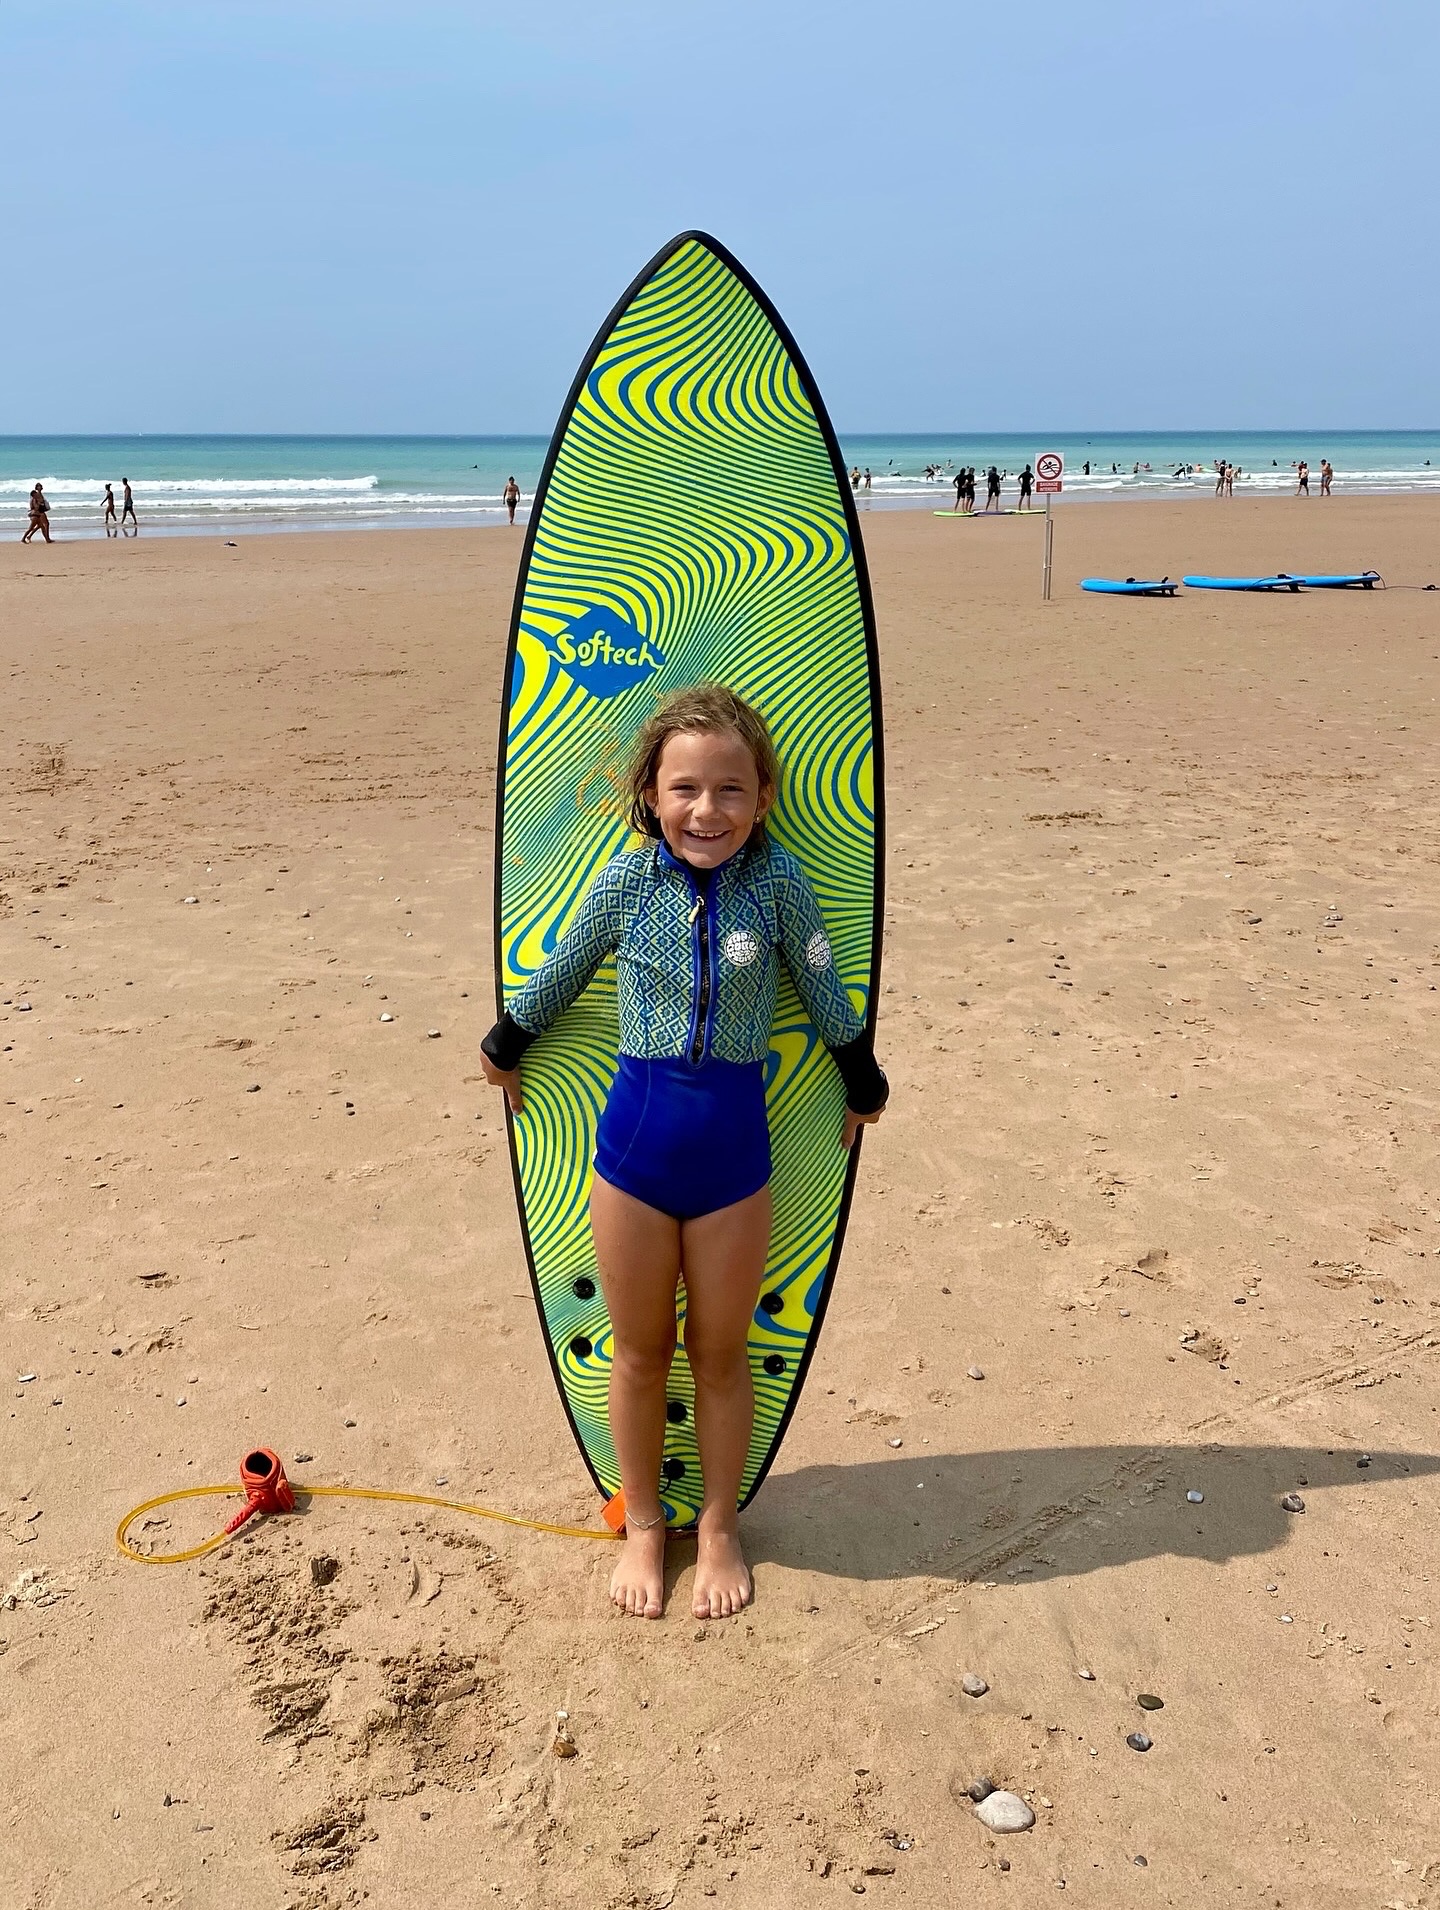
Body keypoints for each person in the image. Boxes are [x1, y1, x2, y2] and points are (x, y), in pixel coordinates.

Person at [479, 684, 887, 1620]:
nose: (708, 810)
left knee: (720, 1352)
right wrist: (508, 1039)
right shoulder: (627, 881)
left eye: (731, 789)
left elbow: (822, 981)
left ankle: (719, 1526)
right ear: (651, 796)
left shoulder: (779, 883)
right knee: (638, 1353)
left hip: (734, 1163)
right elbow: (566, 963)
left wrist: (860, 1075)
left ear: (764, 797)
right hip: (633, 1157)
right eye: (686, 789)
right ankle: (643, 1525)